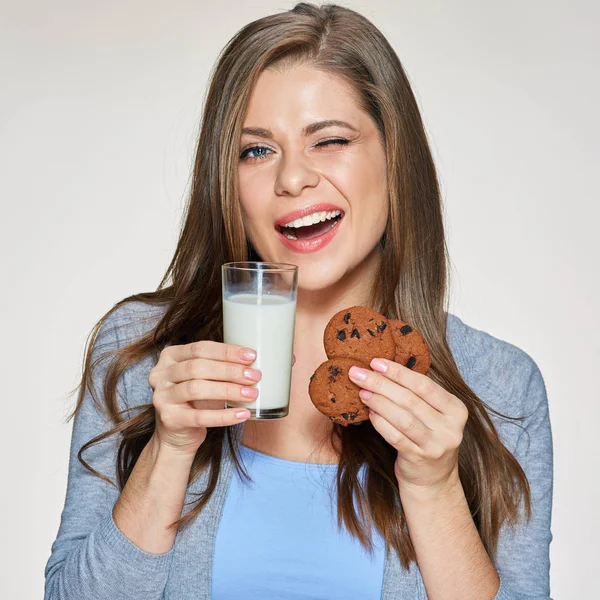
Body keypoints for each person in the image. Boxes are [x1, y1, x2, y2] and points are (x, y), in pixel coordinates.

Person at [44, 3, 553, 599]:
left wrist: (435, 488)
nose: (292, 179)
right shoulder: (143, 356)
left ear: (395, 159)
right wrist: (171, 447)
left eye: (330, 140)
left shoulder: (500, 386)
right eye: (255, 150)